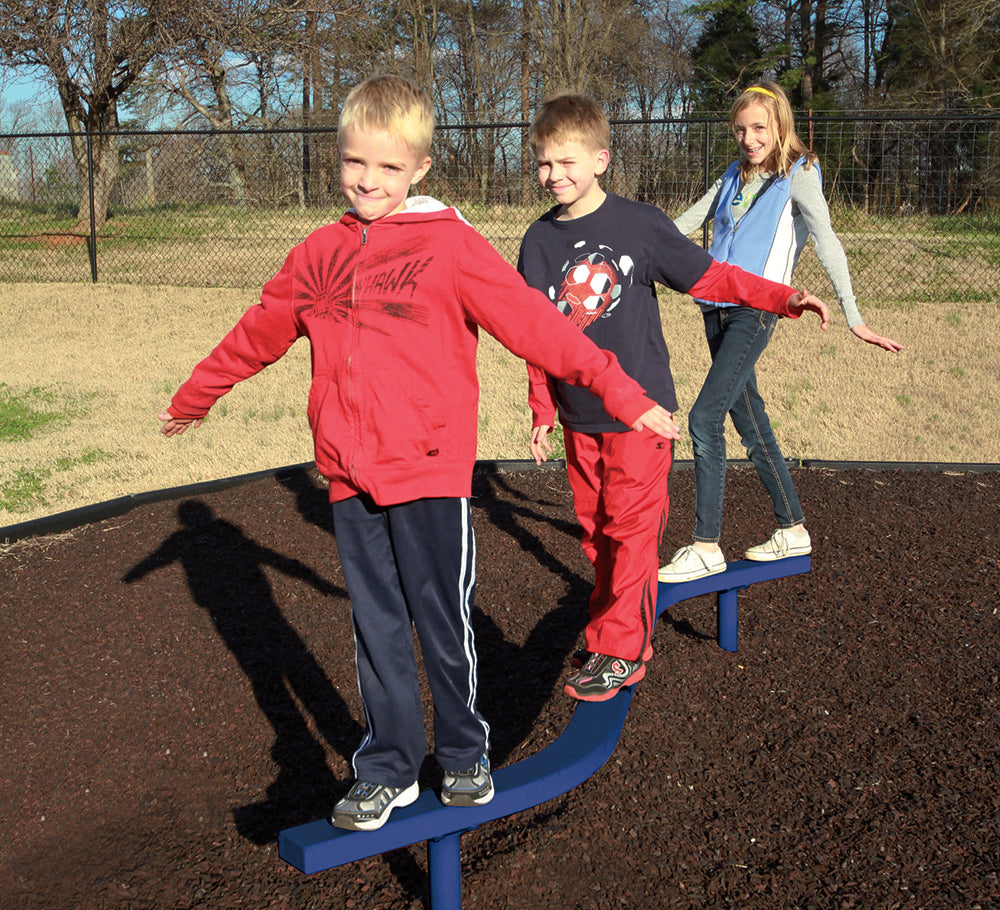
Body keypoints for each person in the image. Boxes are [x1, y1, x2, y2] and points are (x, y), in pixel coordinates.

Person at [157, 75, 683, 833]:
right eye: (355, 165)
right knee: (376, 626)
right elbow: (261, 328)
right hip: (348, 474)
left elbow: (538, 327)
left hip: (431, 471)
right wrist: (200, 392)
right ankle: (390, 765)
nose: (369, 182)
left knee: (441, 617)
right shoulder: (320, 254)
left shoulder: (448, 246)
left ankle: (465, 750)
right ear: (338, 159)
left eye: (388, 168)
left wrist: (623, 391)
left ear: (420, 171)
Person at [518, 93, 830, 703]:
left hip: (642, 414)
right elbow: (536, 334)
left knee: (633, 531)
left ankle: (620, 650)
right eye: (543, 164)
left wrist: (781, 297)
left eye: (567, 162)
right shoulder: (538, 243)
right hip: (581, 419)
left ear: (601, 159)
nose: (554, 175)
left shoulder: (639, 225)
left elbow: (711, 275)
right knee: (596, 533)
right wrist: (541, 411)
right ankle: (617, 627)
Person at [659, 81, 904, 586]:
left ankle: (706, 545)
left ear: (780, 126)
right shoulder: (733, 174)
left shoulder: (800, 173)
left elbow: (828, 239)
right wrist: (630, 240)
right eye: (741, 129)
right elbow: (683, 223)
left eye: (759, 129)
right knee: (749, 421)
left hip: (756, 311)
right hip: (715, 309)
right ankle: (792, 528)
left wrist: (854, 316)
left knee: (705, 419)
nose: (749, 139)